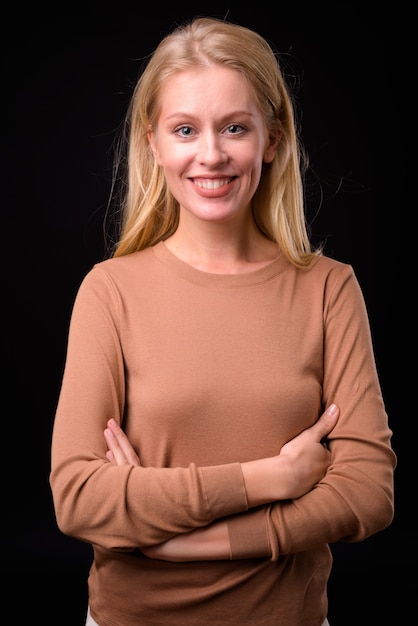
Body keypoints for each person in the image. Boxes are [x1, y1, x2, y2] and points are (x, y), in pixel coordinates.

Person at [49, 16, 396, 626]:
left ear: (272, 138)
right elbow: (79, 498)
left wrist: (182, 539)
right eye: (186, 129)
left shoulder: (328, 288)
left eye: (234, 127)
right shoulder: (110, 291)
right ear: (153, 143)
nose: (210, 154)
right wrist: (272, 478)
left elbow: (368, 493)